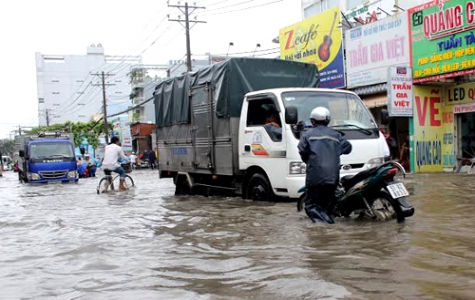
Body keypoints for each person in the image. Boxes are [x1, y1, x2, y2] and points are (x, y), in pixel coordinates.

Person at [297, 107, 352, 224]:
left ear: (313, 121)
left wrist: (310, 161)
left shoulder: (307, 135)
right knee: (328, 208)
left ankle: (326, 228)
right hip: (333, 178)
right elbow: (348, 148)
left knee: (311, 206)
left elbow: (302, 151)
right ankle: (329, 230)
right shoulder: (336, 135)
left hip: (315, 176)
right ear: (328, 121)